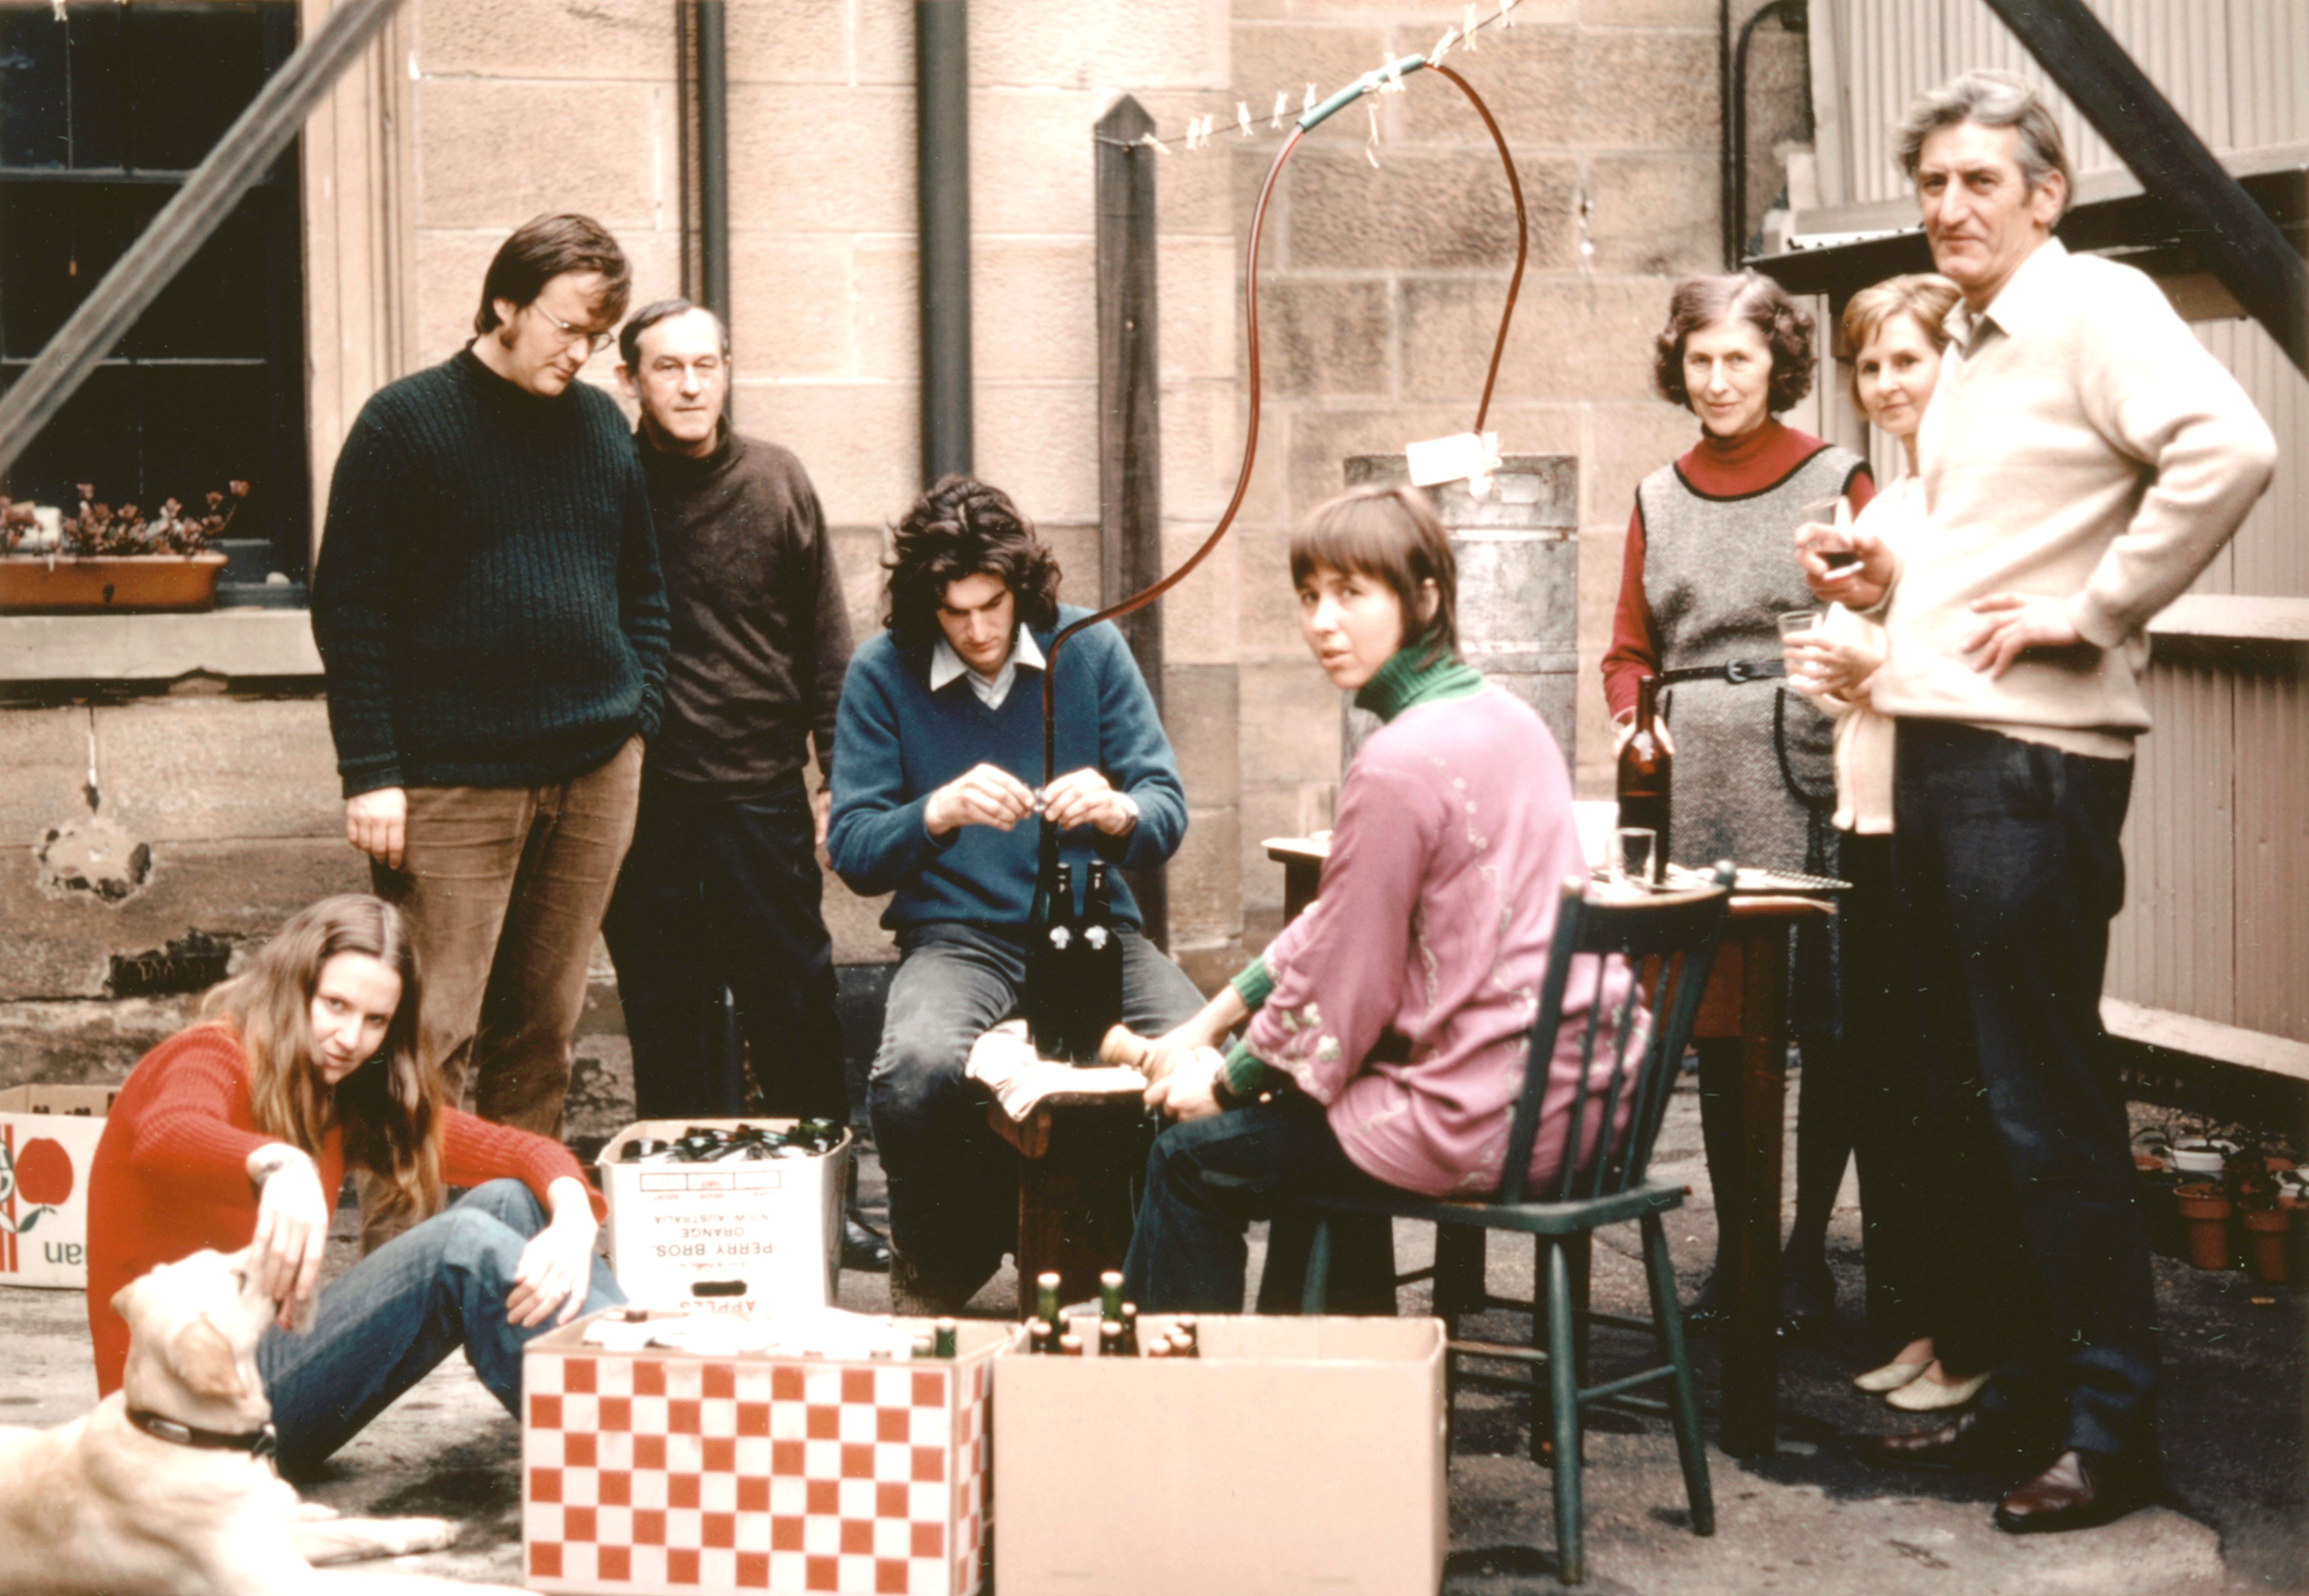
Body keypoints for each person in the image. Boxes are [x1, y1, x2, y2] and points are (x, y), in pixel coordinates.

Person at [1801, 70, 2275, 1532]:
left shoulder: (2090, 306)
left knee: (2041, 1105)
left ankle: (2107, 1429)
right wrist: (1885, 573)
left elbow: (2229, 448)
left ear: (2044, 195)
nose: (1947, 207)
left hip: (2028, 764)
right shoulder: (1971, 339)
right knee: (1965, 1107)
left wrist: (2095, 607)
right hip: (1941, 742)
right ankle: (2018, 1394)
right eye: (1930, 185)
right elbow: (1999, 535)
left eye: (1977, 182)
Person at [1121, 484, 1638, 1312]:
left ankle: (1174, 1383)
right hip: (1584, 1107)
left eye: (1350, 592)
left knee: (1190, 1154)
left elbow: (1343, 987)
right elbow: (1336, 925)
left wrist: (1223, 1084)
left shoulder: (1396, 762)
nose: (1322, 621)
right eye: (1308, 596)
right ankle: (1333, 1372)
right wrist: (1206, 1024)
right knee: (1313, 1108)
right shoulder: (1510, 717)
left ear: (1424, 598)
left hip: (1485, 1119)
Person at [311, 213, 667, 1252]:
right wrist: (371, 771)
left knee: (540, 1038)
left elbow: (644, 588)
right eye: (566, 326)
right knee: (427, 1037)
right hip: (451, 786)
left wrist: (636, 716)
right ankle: (401, 1275)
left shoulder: (599, 428)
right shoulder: (404, 425)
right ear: (505, 303)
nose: (581, 352)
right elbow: (350, 610)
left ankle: (513, 1265)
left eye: (597, 335)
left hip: (592, 771)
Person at [826, 476, 1203, 1313]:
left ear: (1021, 588)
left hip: (1095, 929)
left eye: (992, 605)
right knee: (915, 1070)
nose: (977, 630)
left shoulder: (1088, 649)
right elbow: (851, 848)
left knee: (1203, 1060)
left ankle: (1153, 1274)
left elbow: (1166, 810)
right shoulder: (883, 671)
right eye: (954, 612)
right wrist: (937, 811)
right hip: (957, 936)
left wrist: (1117, 810)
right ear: (926, 603)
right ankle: (938, 1265)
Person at [84, 895, 622, 1478]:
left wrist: (573, 1219)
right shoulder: (210, 1053)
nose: (349, 1037)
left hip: (262, 1373)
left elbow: (522, 1152)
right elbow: (170, 1131)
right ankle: (628, 1441)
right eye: (334, 1004)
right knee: (459, 1245)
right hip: (185, 1408)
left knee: (514, 1200)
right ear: (292, 986)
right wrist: (279, 1164)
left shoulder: (338, 1091)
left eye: (375, 1021)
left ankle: (646, 1384)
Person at [1601, 272, 1875, 1337]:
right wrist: (1632, 720)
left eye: (1738, 360)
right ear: (1678, 367)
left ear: (1777, 365)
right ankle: (1744, 1248)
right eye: (1699, 360)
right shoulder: (1655, 496)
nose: (1717, 381)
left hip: (1805, 764)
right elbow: (1628, 650)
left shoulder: (1834, 477)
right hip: (1691, 782)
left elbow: (1876, 616)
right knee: (1722, 1022)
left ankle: (1805, 1249)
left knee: (1827, 1019)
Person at [1781, 273, 1972, 1411]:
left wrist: (1873, 667)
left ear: (1957, 364)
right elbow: (1845, 672)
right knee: (1888, 1088)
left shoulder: (1971, 506)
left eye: (1908, 359)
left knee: (1947, 1091)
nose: (1887, 383)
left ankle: (1969, 1334)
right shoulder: (1884, 510)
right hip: (1864, 821)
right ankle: (1916, 1319)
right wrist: (1826, 669)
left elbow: (1954, 666)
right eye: (1868, 365)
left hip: (1938, 825)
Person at [599, 299, 852, 1127]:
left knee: (795, 1006)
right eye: (667, 368)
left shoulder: (777, 480)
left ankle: (821, 1185)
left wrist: (838, 780)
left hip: (759, 798)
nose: (689, 386)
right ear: (630, 379)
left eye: (705, 365)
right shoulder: (607, 484)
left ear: (727, 371)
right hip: (646, 806)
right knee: (668, 1019)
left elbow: (826, 643)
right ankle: (683, 1194)